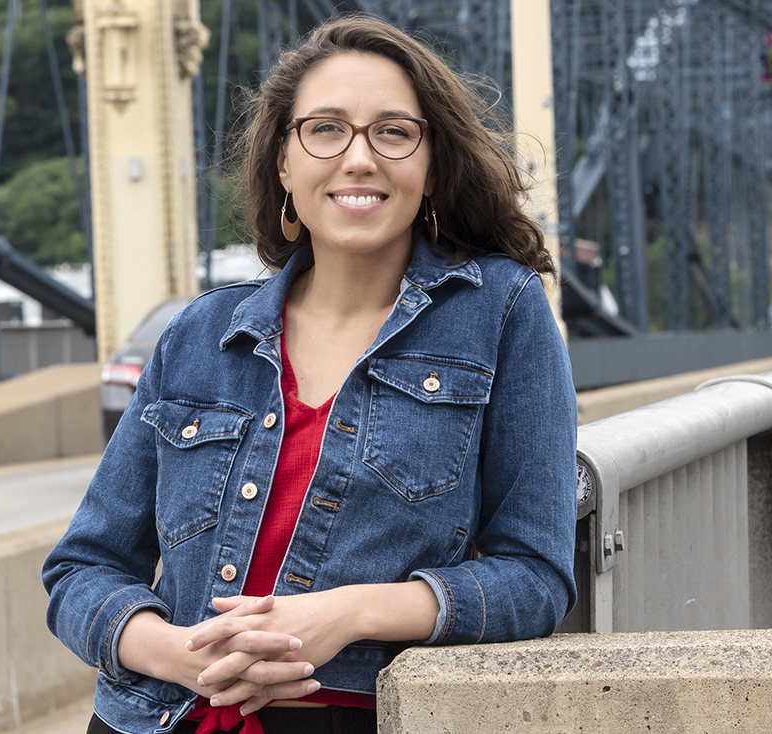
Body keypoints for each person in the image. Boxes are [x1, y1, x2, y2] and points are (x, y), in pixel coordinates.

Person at [42, 15, 577, 734]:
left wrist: (347, 614)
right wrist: (182, 653)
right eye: (325, 130)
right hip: (162, 717)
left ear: (432, 166)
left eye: (393, 132)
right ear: (284, 166)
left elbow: (535, 578)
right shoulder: (202, 335)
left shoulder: (503, 313)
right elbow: (82, 570)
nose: (359, 158)